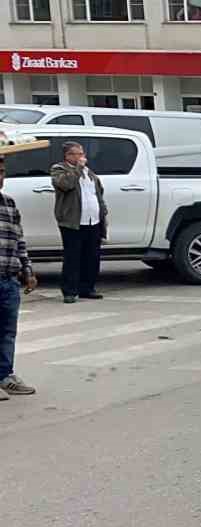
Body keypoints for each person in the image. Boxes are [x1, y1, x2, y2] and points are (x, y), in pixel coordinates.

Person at [0, 153, 39, 399]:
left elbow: (19, 241)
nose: (0, 176)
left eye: (2, 172)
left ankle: (5, 375)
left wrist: (27, 270)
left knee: (7, 331)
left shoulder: (9, 204)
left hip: (8, 279)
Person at [51, 142, 107, 305]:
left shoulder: (89, 173)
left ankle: (87, 288)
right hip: (73, 221)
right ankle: (69, 291)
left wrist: (103, 212)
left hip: (93, 220)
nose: (81, 157)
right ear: (67, 155)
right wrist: (77, 169)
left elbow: (97, 193)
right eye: (76, 154)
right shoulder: (59, 169)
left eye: (81, 153)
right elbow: (65, 185)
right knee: (72, 257)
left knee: (91, 256)